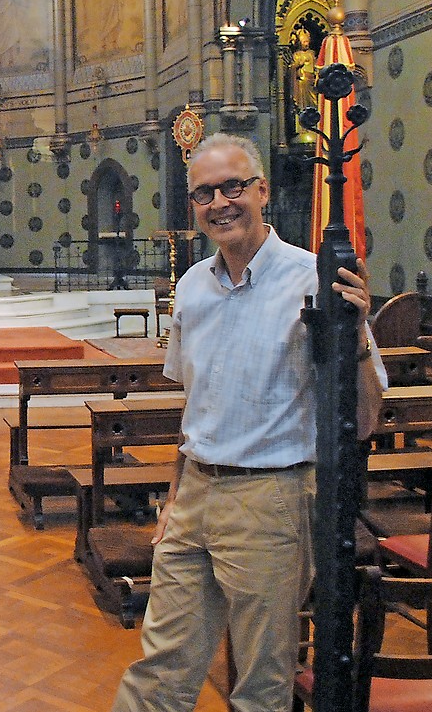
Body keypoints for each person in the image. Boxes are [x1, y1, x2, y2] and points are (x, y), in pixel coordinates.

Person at [109, 133, 386, 712]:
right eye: (205, 193)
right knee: (159, 667)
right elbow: (198, 406)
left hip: (272, 498)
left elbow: (362, 421)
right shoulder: (190, 288)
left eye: (233, 186)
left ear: (262, 191)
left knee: (262, 677)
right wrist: (176, 497)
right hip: (194, 499)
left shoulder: (316, 278)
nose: (221, 203)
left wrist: (356, 333)